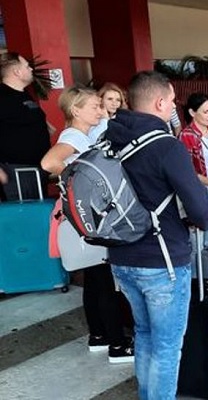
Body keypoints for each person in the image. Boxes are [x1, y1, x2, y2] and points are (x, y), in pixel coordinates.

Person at [104, 71, 208, 399]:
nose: (175, 106)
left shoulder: (109, 140)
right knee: (167, 348)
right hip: (162, 261)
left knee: (145, 335)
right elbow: (202, 214)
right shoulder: (166, 146)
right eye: (172, 100)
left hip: (121, 257)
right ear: (160, 102)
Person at [40, 85, 133, 364]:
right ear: (76, 110)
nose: (100, 110)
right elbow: (49, 162)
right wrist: (79, 179)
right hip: (86, 218)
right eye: (94, 106)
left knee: (94, 280)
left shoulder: (80, 135)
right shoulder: (74, 137)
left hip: (79, 218)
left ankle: (99, 335)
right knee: (104, 280)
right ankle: (118, 345)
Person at [0, 52, 53, 201]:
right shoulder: (2, 96)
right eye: (27, 66)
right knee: (21, 217)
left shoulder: (24, 95)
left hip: (36, 168)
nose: (31, 69)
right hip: (14, 171)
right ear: (16, 72)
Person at [179, 93, 208, 255]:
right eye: (205, 112)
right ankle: (197, 276)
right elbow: (188, 172)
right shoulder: (187, 135)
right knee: (197, 235)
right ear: (192, 112)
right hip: (200, 190)